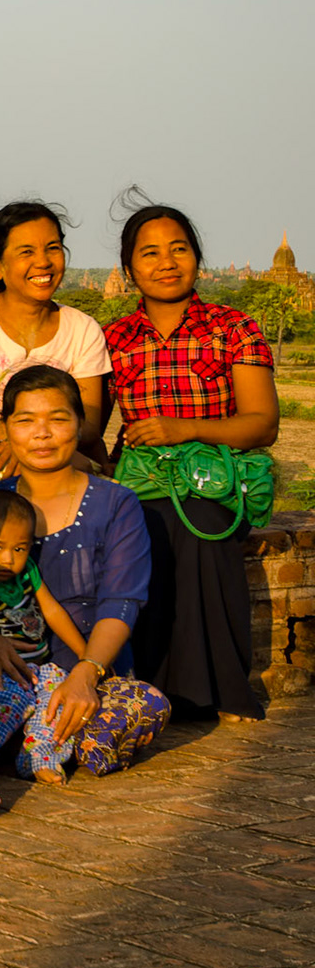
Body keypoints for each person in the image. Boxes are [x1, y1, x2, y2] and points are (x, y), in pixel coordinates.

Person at [0, 367, 173, 776]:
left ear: (81, 425)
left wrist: (88, 672)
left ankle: (42, 737)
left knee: (146, 704)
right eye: (26, 420)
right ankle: (34, 740)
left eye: (58, 419)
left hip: (85, 670)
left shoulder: (117, 503)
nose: (42, 433)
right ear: (7, 429)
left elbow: (123, 599)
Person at [102, 202, 278, 721]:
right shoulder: (112, 338)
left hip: (214, 482)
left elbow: (262, 423)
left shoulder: (233, 328)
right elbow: (92, 428)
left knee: (199, 525)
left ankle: (209, 689)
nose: (167, 262)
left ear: (198, 258)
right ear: (129, 268)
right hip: (142, 482)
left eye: (179, 249)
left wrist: (187, 430)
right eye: (150, 253)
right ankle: (147, 684)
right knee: (140, 529)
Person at [0, 201, 110, 475]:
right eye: (26, 252)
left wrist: (33, 446)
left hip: (56, 465)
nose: (43, 262)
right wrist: (28, 440)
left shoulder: (84, 328)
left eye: (53, 248)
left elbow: (88, 426)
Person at [0, 489, 88, 783]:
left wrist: (86, 656)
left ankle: (41, 755)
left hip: (35, 670)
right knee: (4, 704)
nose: (8, 560)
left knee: (57, 695)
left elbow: (52, 612)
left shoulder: (27, 572)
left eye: (19, 549)